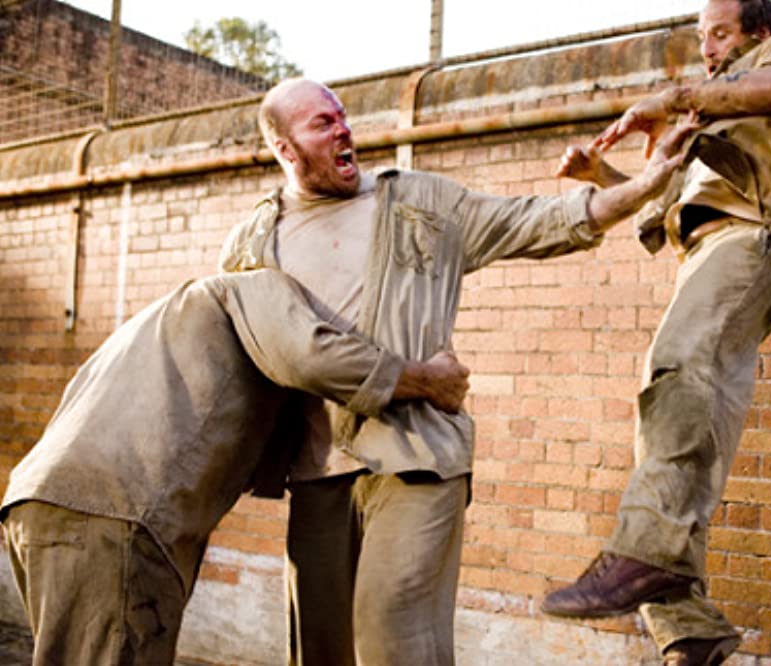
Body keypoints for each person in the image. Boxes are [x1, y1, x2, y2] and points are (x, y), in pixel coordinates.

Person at [219, 77, 697, 665]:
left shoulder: (420, 201)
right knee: (320, 649)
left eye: (343, 116)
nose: (344, 130)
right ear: (285, 149)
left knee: (391, 625)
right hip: (316, 470)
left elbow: (539, 220)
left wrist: (644, 186)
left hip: (418, 452)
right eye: (323, 123)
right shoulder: (251, 243)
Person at [540, 1, 771, 664]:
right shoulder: (706, 119)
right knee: (670, 419)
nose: (707, 48)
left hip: (749, 241)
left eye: (719, 33)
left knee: (677, 369)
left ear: (757, 31)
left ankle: (643, 553)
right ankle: (689, 626)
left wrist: (671, 99)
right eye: (700, 38)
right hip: (704, 258)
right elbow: (659, 202)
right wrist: (597, 175)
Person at [0, 268, 472, 665]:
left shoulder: (164, 316)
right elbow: (312, 357)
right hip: (116, 515)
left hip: (37, 502)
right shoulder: (260, 284)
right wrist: (427, 380)